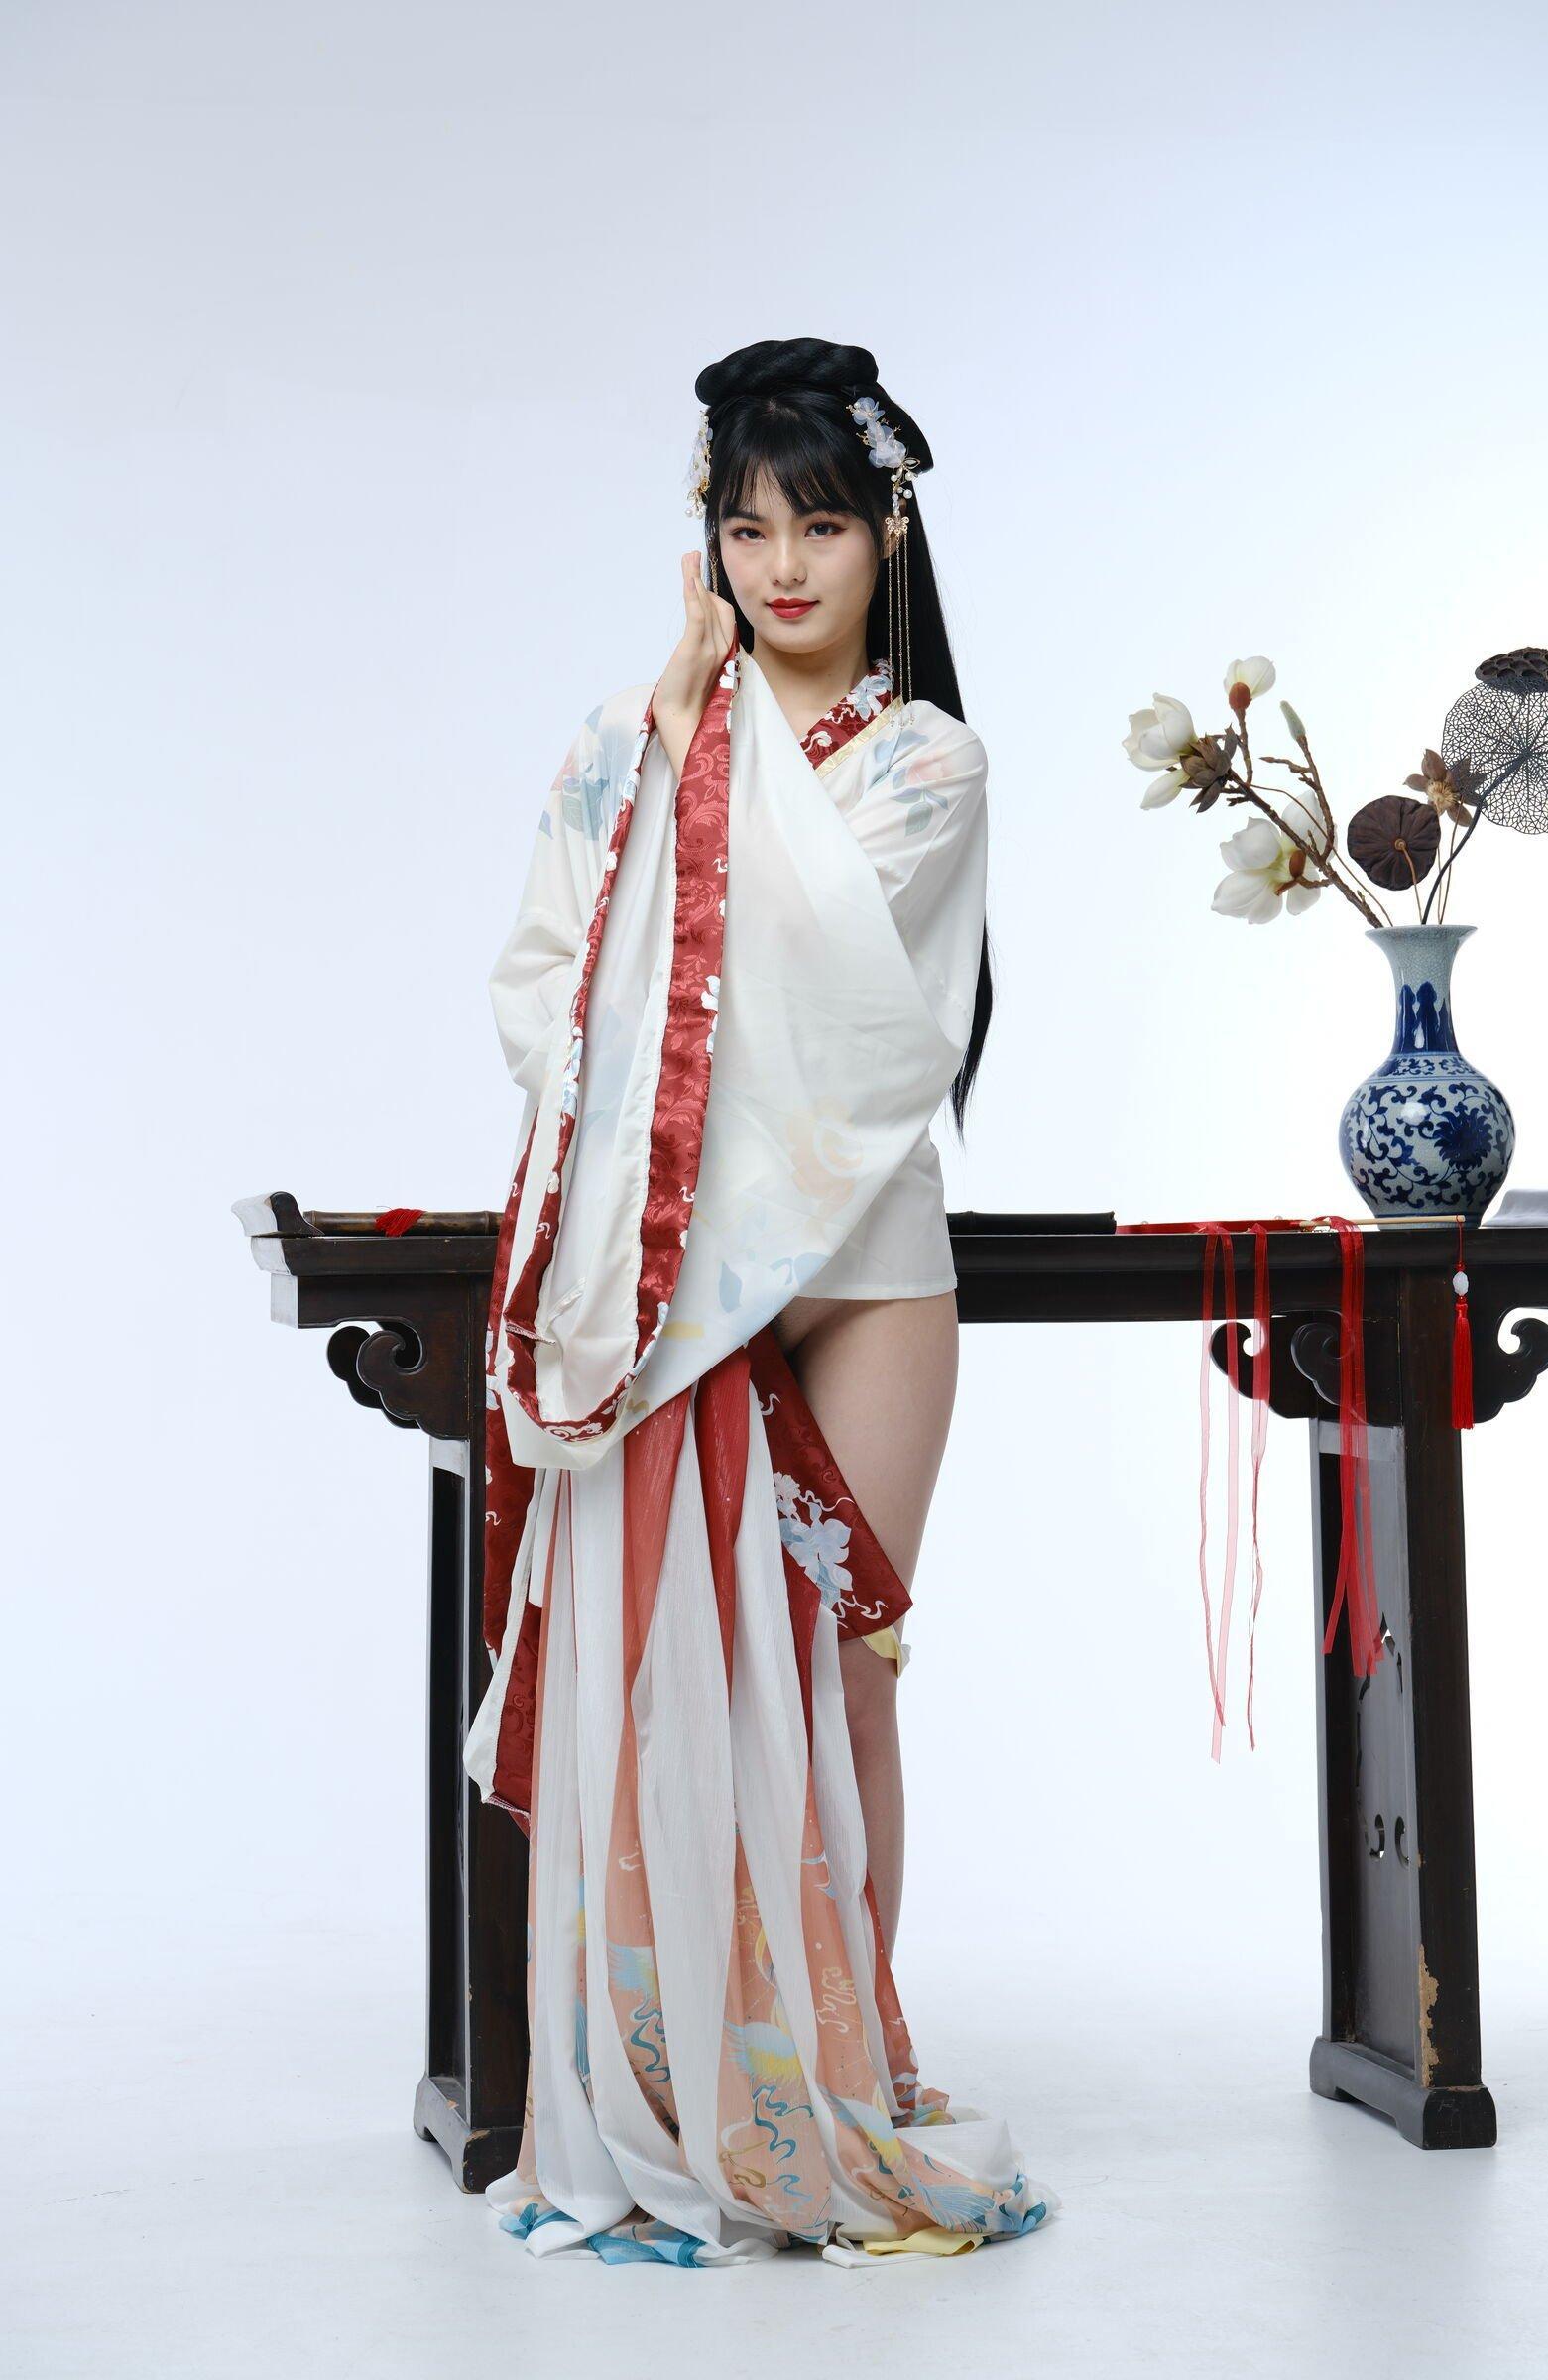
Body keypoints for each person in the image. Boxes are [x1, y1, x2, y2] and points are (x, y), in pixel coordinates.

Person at [462, 338, 1055, 2267]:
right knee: (670, 1679)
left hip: (860, 1268)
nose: (785, 567)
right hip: (670, 1286)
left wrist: (694, 768)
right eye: (747, 529)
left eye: (821, 526)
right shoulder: (626, 742)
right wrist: (674, 722)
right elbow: (551, 984)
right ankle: (670, 2074)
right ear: (703, 544)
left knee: (839, 1663)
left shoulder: (928, 762)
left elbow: (839, 1009)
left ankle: (842, 2060)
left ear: (891, 536)